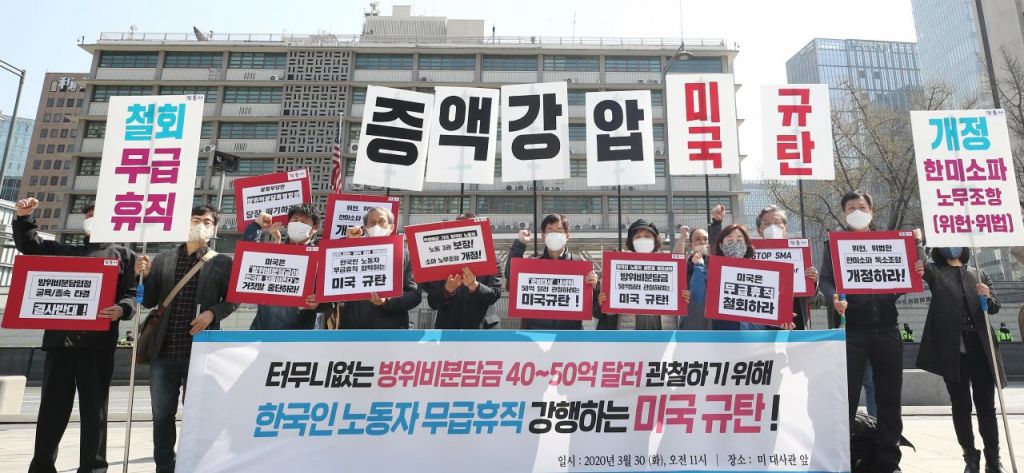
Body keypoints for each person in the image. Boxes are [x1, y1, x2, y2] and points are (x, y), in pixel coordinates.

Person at [13, 199, 137, 473]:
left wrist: (122, 309)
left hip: (98, 345)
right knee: (52, 409)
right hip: (60, 342)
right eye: (88, 216)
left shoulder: (125, 256)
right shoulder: (65, 251)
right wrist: (24, 218)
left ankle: (93, 468)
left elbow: (130, 295)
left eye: (98, 215)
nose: (92, 220)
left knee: (95, 410)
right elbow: (31, 246)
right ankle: (42, 467)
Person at [820, 190, 918, 473]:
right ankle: (846, 458)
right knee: (846, 399)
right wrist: (834, 297)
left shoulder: (890, 243)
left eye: (861, 207)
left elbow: (903, 278)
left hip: (887, 329)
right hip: (852, 332)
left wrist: (914, 269)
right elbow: (826, 280)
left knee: (889, 399)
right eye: (851, 208)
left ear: (872, 211)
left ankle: (889, 461)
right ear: (844, 214)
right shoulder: (834, 244)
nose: (857, 212)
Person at [135, 205, 238, 473]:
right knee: (162, 415)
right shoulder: (163, 259)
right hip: (164, 350)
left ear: (214, 229)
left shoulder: (222, 262)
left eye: (207, 221)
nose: (201, 225)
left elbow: (233, 300)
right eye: (195, 220)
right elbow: (148, 301)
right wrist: (143, 276)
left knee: (198, 416)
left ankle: (194, 465)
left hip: (201, 352)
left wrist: (212, 313)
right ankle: (164, 466)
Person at [916, 245, 1006, 472]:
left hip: (982, 349)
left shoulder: (978, 272)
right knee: (961, 405)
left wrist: (987, 295)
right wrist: (917, 240)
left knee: (987, 407)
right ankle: (970, 457)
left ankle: (993, 459)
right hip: (953, 351)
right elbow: (921, 262)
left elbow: (994, 307)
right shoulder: (935, 272)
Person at [503, 213, 600, 330]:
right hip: (536, 333)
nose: (554, 234)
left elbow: (595, 308)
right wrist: (520, 244)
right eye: (550, 230)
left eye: (559, 230)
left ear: (567, 235)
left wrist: (595, 287)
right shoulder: (533, 263)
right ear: (543, 236)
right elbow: (511, 277)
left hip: (570, 334)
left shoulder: (580, 264)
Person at [243, 206, 331, 330]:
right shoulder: (275, 253)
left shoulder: (323, 258)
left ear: (315, 228)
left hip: (300, 334)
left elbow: (331, 303)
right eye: (294, 220)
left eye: (303, 222)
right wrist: (255, 226)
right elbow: (248, 258)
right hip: (262, 330)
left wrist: (319, 303)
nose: (298, 224)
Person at [596, 219, 691, 330]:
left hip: (663, 327)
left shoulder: (666, 265)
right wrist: (605, 301)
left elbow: (677, 262)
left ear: (655, 240)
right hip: (631, 329)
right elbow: (610, 312)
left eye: (647, 236)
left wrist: (682, 238)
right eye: (638, 237)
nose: (642, 239)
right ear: (632, 242)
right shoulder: (621, 267)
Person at [339, 207, 421, 328]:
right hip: (352, 328)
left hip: (390, 330)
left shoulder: (406, 256)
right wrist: (350, 244)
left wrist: (387, 300)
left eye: (381, 221)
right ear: (365, 228)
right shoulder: (350, 252)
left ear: (391, 227)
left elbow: (414, 295)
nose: (376, 226)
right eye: (372, 222)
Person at [421, 212, 503, 329]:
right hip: (449, 330)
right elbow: (433, 302)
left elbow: (495, 295)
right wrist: (447, 289)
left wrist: (475, 286)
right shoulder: (440, 260)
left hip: (483, 329)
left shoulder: (493, 261)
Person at [753, 206, 819, 329]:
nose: (772, 227)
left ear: (785, 228)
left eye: (777, 222)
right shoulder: (750, 255)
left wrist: (812, 282)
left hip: (796, 323)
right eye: (767, 223)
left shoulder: (799, 254)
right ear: (759, 230)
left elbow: (815, 300)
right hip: (762, 324)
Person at [675, 204, 726, 330]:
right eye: (697, 239)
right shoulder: (688, 264)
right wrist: (682, 237)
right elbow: (675, 260)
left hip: (714, 321)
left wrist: (717, 222)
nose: (702, 242)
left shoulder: (716, 262)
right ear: (692, 245)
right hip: (692, 320)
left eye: (705, 239)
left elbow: (717, 244)